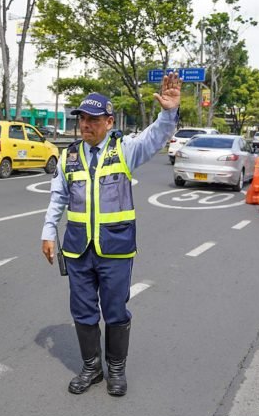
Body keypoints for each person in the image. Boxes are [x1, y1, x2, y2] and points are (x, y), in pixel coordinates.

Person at [41, 73, 182, 396]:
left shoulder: (124, 150)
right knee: (82, 310)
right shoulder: (69, 156)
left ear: (108, 121)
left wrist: (168, 113)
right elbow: (58, 198)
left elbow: (155, 136)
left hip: (115, 249)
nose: (85, 125)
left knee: (116, 309)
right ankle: (91, 368)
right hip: (78, 249)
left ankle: (116, 369)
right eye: (81, 119)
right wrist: (49, 232)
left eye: (92, 119)